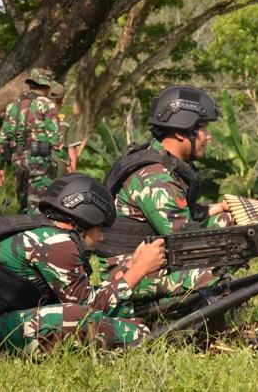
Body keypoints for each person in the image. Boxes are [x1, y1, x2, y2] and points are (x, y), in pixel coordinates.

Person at [0, 174, 166, 369]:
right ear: (83, 221)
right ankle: (144, 335)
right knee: (79, 318)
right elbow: (90, 309)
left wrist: (129, 269)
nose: (100, 237)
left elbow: (86, 295)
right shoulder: (57, 244)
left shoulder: (42, 231)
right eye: (99, 228)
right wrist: (138, 270)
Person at [95, 85, 233, 303]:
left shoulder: (161, 161)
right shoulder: (156, 178)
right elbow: (186, 240)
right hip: (130, 274)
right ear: (180, 132)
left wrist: (223, 209)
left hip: (142, 263)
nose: (208, 137)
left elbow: (179, 214)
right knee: (213, 271)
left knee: (226, 220)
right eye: (204, 128)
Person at [0, 68, 70, 214]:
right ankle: (36, 232)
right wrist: (66, 161)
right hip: (39, 162)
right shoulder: (47, 105)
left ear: (31, 85)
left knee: (24, 205)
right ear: (46, 87)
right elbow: (56, 138)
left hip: (17, 161)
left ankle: (22, 232)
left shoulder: (13, 106)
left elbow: (2, 139)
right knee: (38, 206)